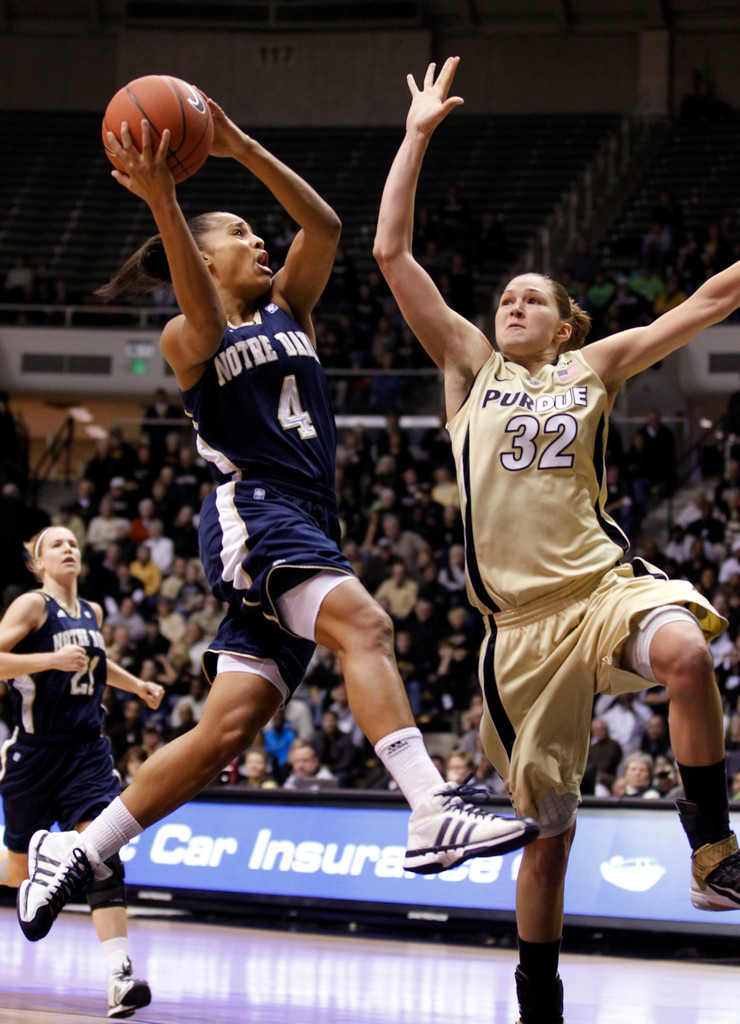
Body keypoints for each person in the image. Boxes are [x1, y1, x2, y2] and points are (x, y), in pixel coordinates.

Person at [17, 94, 537, 946]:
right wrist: (165, 202)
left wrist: (237, 143)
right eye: (241, 235)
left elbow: (326, 225)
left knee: (229, 726)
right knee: (365, 622)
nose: (261, 242)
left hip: (304, 519)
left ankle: (77, 851)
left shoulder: (290, 308)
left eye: (260, 234)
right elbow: (203, 311)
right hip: (253, 510)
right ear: (204, 256)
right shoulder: (188, 335)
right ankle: (428, 806)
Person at [373, 56, 740, 1024]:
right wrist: (414, 137)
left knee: (687, 654)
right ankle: (538, 998)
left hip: (597, 585)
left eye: (531, 298)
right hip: (517, 631)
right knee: (548, 835)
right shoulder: (469, 366)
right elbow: (392, 259)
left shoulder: (593, 365)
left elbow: (706, 300)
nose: (512, 305)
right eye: (505, 297)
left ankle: (707, 843)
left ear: (565, 321)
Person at [0, 525, 164, 1017]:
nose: (68, 549)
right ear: (39, 561)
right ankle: (36, 866)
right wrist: (49, 659)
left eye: (73, 543)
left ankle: (120, 977)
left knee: (102, 854)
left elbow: (95, 661)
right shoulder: (32, 606)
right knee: (17, 873)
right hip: (35, 754)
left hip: (87, 751)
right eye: (57, 544)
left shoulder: (90, 611)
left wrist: (136, 686)